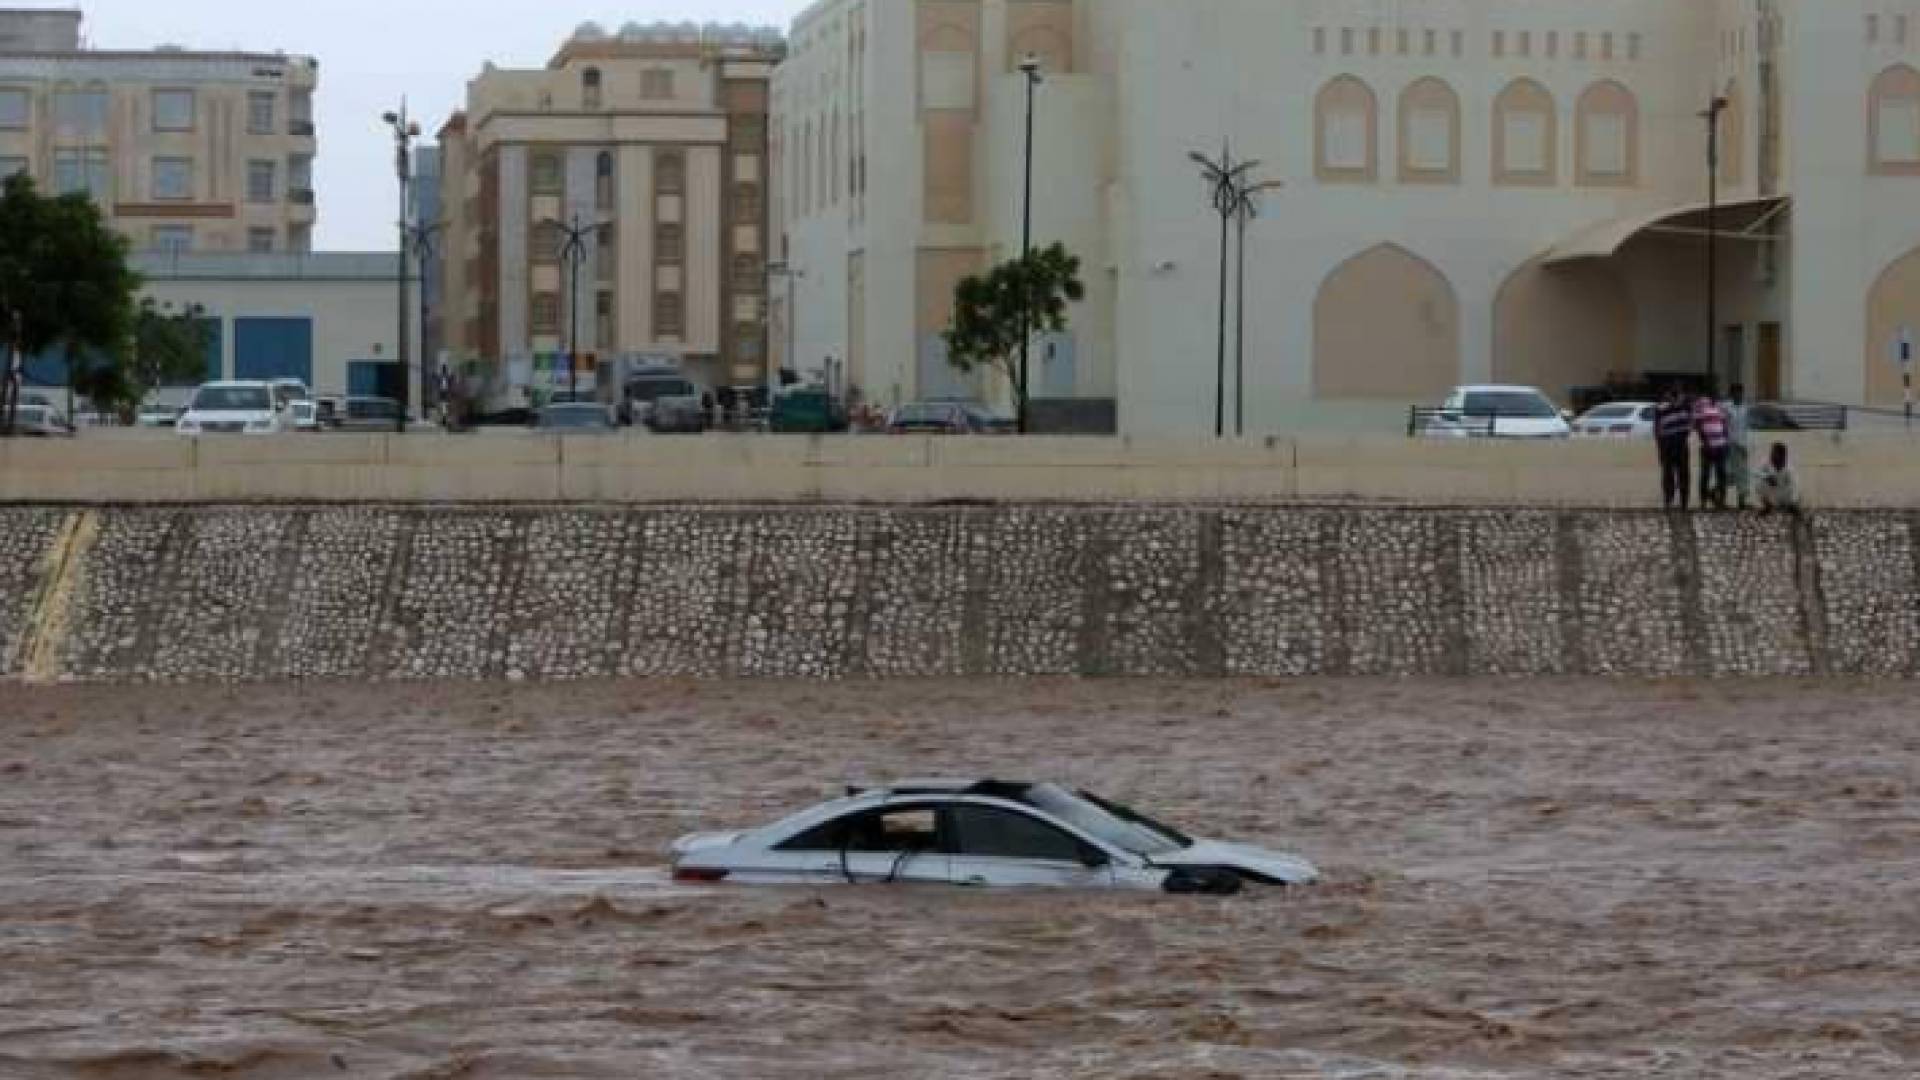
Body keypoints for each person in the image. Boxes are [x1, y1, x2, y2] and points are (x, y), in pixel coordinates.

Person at [1654, 388, 1694, 510]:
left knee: (1682, 474)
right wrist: (1660, 447)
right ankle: (1669, 499)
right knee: (1669, 474)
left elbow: (1690, 425)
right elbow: (1657, 430)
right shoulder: (1661, 409)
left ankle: (1683, 501)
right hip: (1669, 445)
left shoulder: (1685, 407)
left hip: (1679, 444)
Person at [1694, 393, 1732, 509]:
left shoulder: (1721, 409)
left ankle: (1721, 501)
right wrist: (1706, 443)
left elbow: (1725, 426)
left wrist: (1726, 442)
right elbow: (1698, 426)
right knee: (1705, 474)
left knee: (1721, 475)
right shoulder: (1702, 406)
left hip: (1721, 446)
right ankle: (1703, 501)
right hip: (1707, 448)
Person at [1723, 384, 1752, 510]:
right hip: (1729, 444)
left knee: (1743, 474)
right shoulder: (1726, 408)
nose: (1738, 395)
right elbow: (1724, 426)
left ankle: (1742, 501)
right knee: (1729, 474)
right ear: (1731, 394)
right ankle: (1716, 494)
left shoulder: (1745, 408)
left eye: (1740, 393)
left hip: (1742, 445)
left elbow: (1745, 428)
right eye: (1735, 393)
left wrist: (1746, 445)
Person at [1755, 442, 1801, 515]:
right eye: (1772, 452)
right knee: (1759, 483)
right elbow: (1756, 473)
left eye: (1774, 453)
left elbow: (1795, 486)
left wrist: (1793, 501)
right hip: (1771, 493)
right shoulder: (1766, 462)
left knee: (1794, 491)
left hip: (1785, 495)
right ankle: (1767, 506)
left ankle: (1791, 507)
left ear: (1782, 455)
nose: (1772, 455)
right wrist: (1767, 477)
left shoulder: (1789, 468)